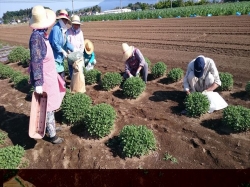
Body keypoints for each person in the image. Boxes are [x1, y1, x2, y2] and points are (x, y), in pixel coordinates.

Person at [29, 5, 65, 144]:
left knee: (51, 104)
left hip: (49, 75)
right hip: (44, 78)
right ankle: (52, 135)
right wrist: (38, 82)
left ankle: (52, 127)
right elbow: (36, 61)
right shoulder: (36, 39)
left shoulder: (41, 35)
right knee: (47, 106)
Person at [48, 9, 74, 80]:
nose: (65, 22)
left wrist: (74, 49)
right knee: (58, 78)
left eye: (66, 20)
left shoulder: (63, 29)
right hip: (54, 57)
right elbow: (55, 43)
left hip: (60, 57)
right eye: (64, 20)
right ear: (61, 19)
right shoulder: (56, 28)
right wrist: (62, 51)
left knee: (61, 78)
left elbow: (66, 43)